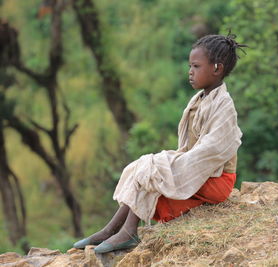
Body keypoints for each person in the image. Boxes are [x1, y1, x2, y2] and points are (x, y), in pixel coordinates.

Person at [73, 32, 247, 254]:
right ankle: (112, 228)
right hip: (201, 170)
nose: (190, 72)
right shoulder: (199, 100)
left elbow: (212, 150)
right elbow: (191, 148)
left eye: (195, 66)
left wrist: (175, 165)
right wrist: (174, 163)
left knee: (154, 169)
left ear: (216, 68)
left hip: (218, 179)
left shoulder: (224, 105)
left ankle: (127, 233)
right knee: (143, 166)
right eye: (190, 66)